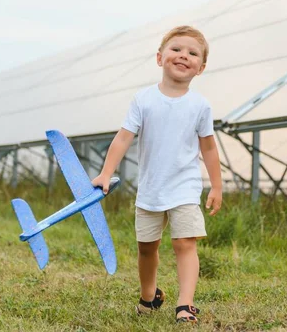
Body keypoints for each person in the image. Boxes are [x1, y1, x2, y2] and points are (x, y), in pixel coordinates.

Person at [91, 25, 222, 324]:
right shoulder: (143, 99)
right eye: (176, 49)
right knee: (147, 248)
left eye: (192, 53)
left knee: (184, 242)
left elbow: (210, 148)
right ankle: (149, 297)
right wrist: (105, 173)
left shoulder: (200, 105)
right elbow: (123, 138)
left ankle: (185, 305)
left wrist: (216, 186)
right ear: (160, 57)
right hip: (151, 188)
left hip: (185, 187)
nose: (183, 56)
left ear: (200, 68)